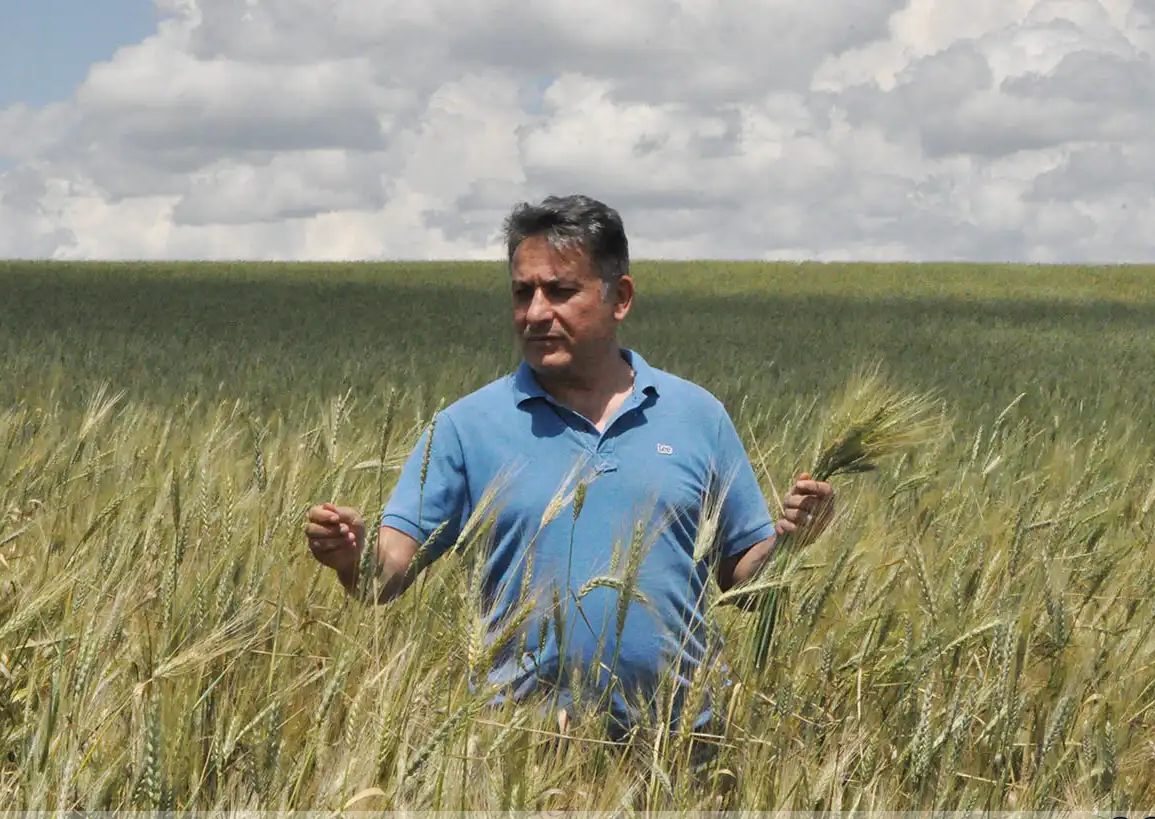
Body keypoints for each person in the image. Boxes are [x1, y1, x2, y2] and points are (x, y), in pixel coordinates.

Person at [304, 194, 834, 742]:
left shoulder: (698, 416)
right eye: (521, 293)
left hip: (681, 749)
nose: (535, 313)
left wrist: (791, 541)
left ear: (619, 297)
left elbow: (740, 576)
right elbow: (384, 578)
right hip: (523, 755)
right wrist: (352, 555)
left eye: (559, 291)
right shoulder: (465, 428)